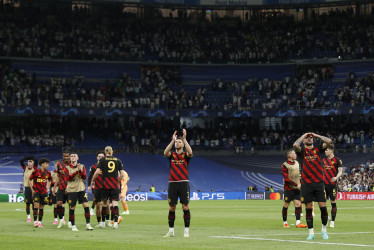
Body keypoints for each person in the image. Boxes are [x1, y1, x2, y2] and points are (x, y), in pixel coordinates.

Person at [294, 132, 332, 240]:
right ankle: (311, 233)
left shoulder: (318, 149)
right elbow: (295, 145)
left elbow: (329, 141)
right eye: (307, 138)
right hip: (306, 184)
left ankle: (324, 230)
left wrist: (316, 135)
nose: (309, 139)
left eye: (310, 138)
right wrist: (303, 135)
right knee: (308, 209)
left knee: (323, 208)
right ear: (304, 141)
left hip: (319, 183)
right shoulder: (301, 151)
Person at [163, 129, 193, 238]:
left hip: (183, 183)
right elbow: (165, 153)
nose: (177, 143)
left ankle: (186, 231)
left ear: (183, 145)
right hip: (172, 183)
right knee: (172, 208)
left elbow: (191, 153)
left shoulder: (185, 155)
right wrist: (172, 141)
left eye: (179, 142)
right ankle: (171, 231)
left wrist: (184, 140)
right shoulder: (172, 155)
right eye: (177, 142)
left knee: (185, 207)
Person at [92, 146, 126, 229]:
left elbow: (97, 172)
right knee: (115, 204)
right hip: (114, 185)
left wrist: (93, 180)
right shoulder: (118, 160)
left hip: (105, 185)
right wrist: (117, 181)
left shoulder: (102, 160)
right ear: (112, 152)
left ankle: (103, 223)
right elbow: (122, 174)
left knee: (104, 204)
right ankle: (115, 223)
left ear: (105, 152)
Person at [66, 152, 93, 231]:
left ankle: (88, 224)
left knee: (86, 206)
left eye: (75, 156)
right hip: (72, 189)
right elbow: (68, 178)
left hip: (81, 189)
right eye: (72, 156)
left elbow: (84, 176)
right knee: (72, 207)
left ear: (77, 158)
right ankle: (73, 225)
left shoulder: (82, 166)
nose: (73, 157)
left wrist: (79, 171)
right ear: (70, 158)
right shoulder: (67, 168)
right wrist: (76, 172)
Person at [281, 149, 307, 229]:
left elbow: (299, 174)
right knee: (286, 205)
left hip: (297, 188)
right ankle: (285, 222)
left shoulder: (297, 163)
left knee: (298, 204)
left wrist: (301, 183)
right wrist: (296, 184)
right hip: (289, 188)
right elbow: (286, 179)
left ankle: (298, 223)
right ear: (289, 156)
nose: (295, 155)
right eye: (294, 153)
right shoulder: (284, 165)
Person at [323, 144, 343, 228]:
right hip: (323, 185)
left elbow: (340, 171)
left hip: (332, 185)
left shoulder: (337, 160)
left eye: (327, 150)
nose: (325, 151)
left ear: (331, 150)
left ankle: (332, 222)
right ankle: (326, 217)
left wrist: (336, 177)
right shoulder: (323, 160)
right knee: (323, 203)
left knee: (333, 202)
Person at [29, 158, 52, 228]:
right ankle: (35, 222)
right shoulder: (36, 172)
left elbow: (50, 180)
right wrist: (32, 189)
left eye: (48, 164)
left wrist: (47, 187)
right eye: (46, 164)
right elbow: (29, 180)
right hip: (36, 192)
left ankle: (39, 222)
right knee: (36, 206)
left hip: (44, 192)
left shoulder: (48, 173)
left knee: (41, 207)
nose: (47, 165)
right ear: (42, 164)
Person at [87, 151, 105, 228]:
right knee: (98, 205)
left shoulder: (107, 166)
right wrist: (89, 185)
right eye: (99, 156)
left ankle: (106, 220)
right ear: (97, 157)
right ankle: (100, 222)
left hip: (106, 188)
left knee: (106, 205)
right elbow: (90, 176)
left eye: (102, 156)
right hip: (96, 188)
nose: (100, 158)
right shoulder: (93, 166)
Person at [53, 151, 70, 229]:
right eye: (64, 156)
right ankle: (61, 220)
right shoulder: (60, 164)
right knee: (59, 203)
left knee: (71, 205)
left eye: (67, 156)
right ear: (63, 157)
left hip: (70, 188)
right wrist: (54, 188)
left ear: (69, 157)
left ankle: (70, 222)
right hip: (61, 187)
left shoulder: (73, 164)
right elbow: (58, 177)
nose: (66, 157)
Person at [20, 156, 38, 223]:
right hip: (27, 188)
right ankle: (28, 217)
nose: (29, 162)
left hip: (33, 188)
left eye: (31, 161)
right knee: (27, 203)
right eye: (28, 161)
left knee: (34, 203)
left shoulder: (35, 168)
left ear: (33, 163)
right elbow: (21, 161)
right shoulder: (25, 168)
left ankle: (34, 216)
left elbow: (36, 160)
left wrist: (32, 158)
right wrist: (27, 158)